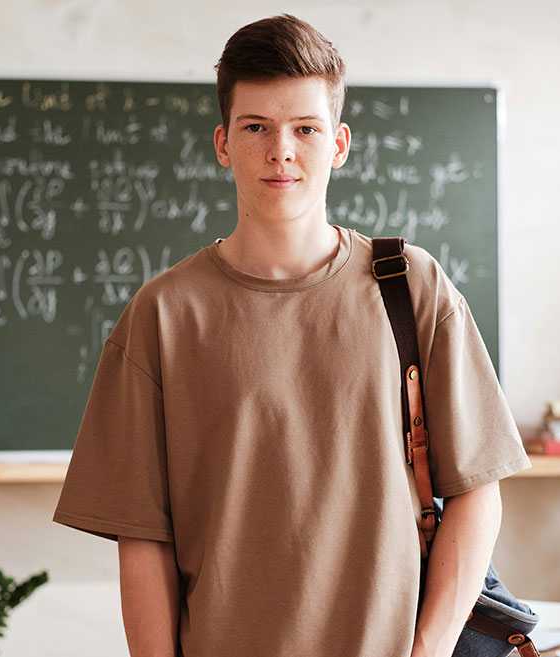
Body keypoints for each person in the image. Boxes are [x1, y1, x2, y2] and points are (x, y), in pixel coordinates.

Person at [53, 14, 530, 657]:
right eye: (257, 127)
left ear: (339, 143)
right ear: (223, 143)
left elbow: (477, 493)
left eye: (306, 128)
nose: (282, 149)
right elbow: (143, 540)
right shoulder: (164, 314)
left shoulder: (411, 286)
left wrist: (430, 650)